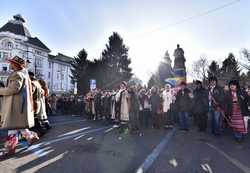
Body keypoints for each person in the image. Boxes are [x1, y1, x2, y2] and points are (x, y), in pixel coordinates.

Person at [0, 56, 39, 156]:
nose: (9, 64)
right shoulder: (23, 74)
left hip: (15, 106)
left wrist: (1, 91)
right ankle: (29, 137)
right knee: (16, 126)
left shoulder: (17, 75)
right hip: (19, 106)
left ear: (15, 65)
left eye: (11, 62)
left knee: (13, 126)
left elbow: (13, 89)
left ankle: (10, 148)